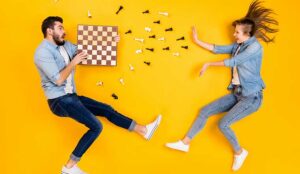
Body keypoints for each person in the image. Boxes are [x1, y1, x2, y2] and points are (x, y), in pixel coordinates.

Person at [34, 16, 162, 174]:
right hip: (58, 101)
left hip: (71, 96)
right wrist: (74, 62)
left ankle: (143, 130)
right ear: (49, 31)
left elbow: (87, 52)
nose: (64, 31)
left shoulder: (65, 46)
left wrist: (110, 42)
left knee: (107, 110)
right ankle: (69, 167)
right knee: (96, 126)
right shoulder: (41, 53)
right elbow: (59, 80)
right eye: (60, 28)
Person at [166, 0, 278, 171]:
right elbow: (218, 48)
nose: (234, 34)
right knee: (204, 111)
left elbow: (234, 61)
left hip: (251, 98)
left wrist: (208, 65)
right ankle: (185, 143)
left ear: (247, 34)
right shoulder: (240, 46)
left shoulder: (255, 48)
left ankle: (239, 152)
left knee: (223, 124)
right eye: (235, 32)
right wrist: (197, 40)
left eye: (237, 32)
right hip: (238, 94)